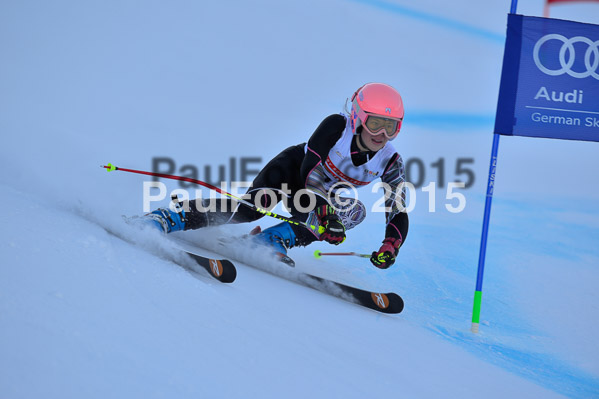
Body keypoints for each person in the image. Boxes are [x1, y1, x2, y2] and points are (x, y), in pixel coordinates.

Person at [145, 82, 409, 268]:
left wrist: (391, 245)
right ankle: (169, 217)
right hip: (291, 172)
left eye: (391, 127)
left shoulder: (390, 161)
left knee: (353, 212)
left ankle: (268, 241)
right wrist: (327, 214)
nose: (381, 135)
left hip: (318, 197)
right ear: (359, 117)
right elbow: (309, 173)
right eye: (375, 123)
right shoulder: (337, 126)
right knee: (251, 210)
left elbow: (397, 209)